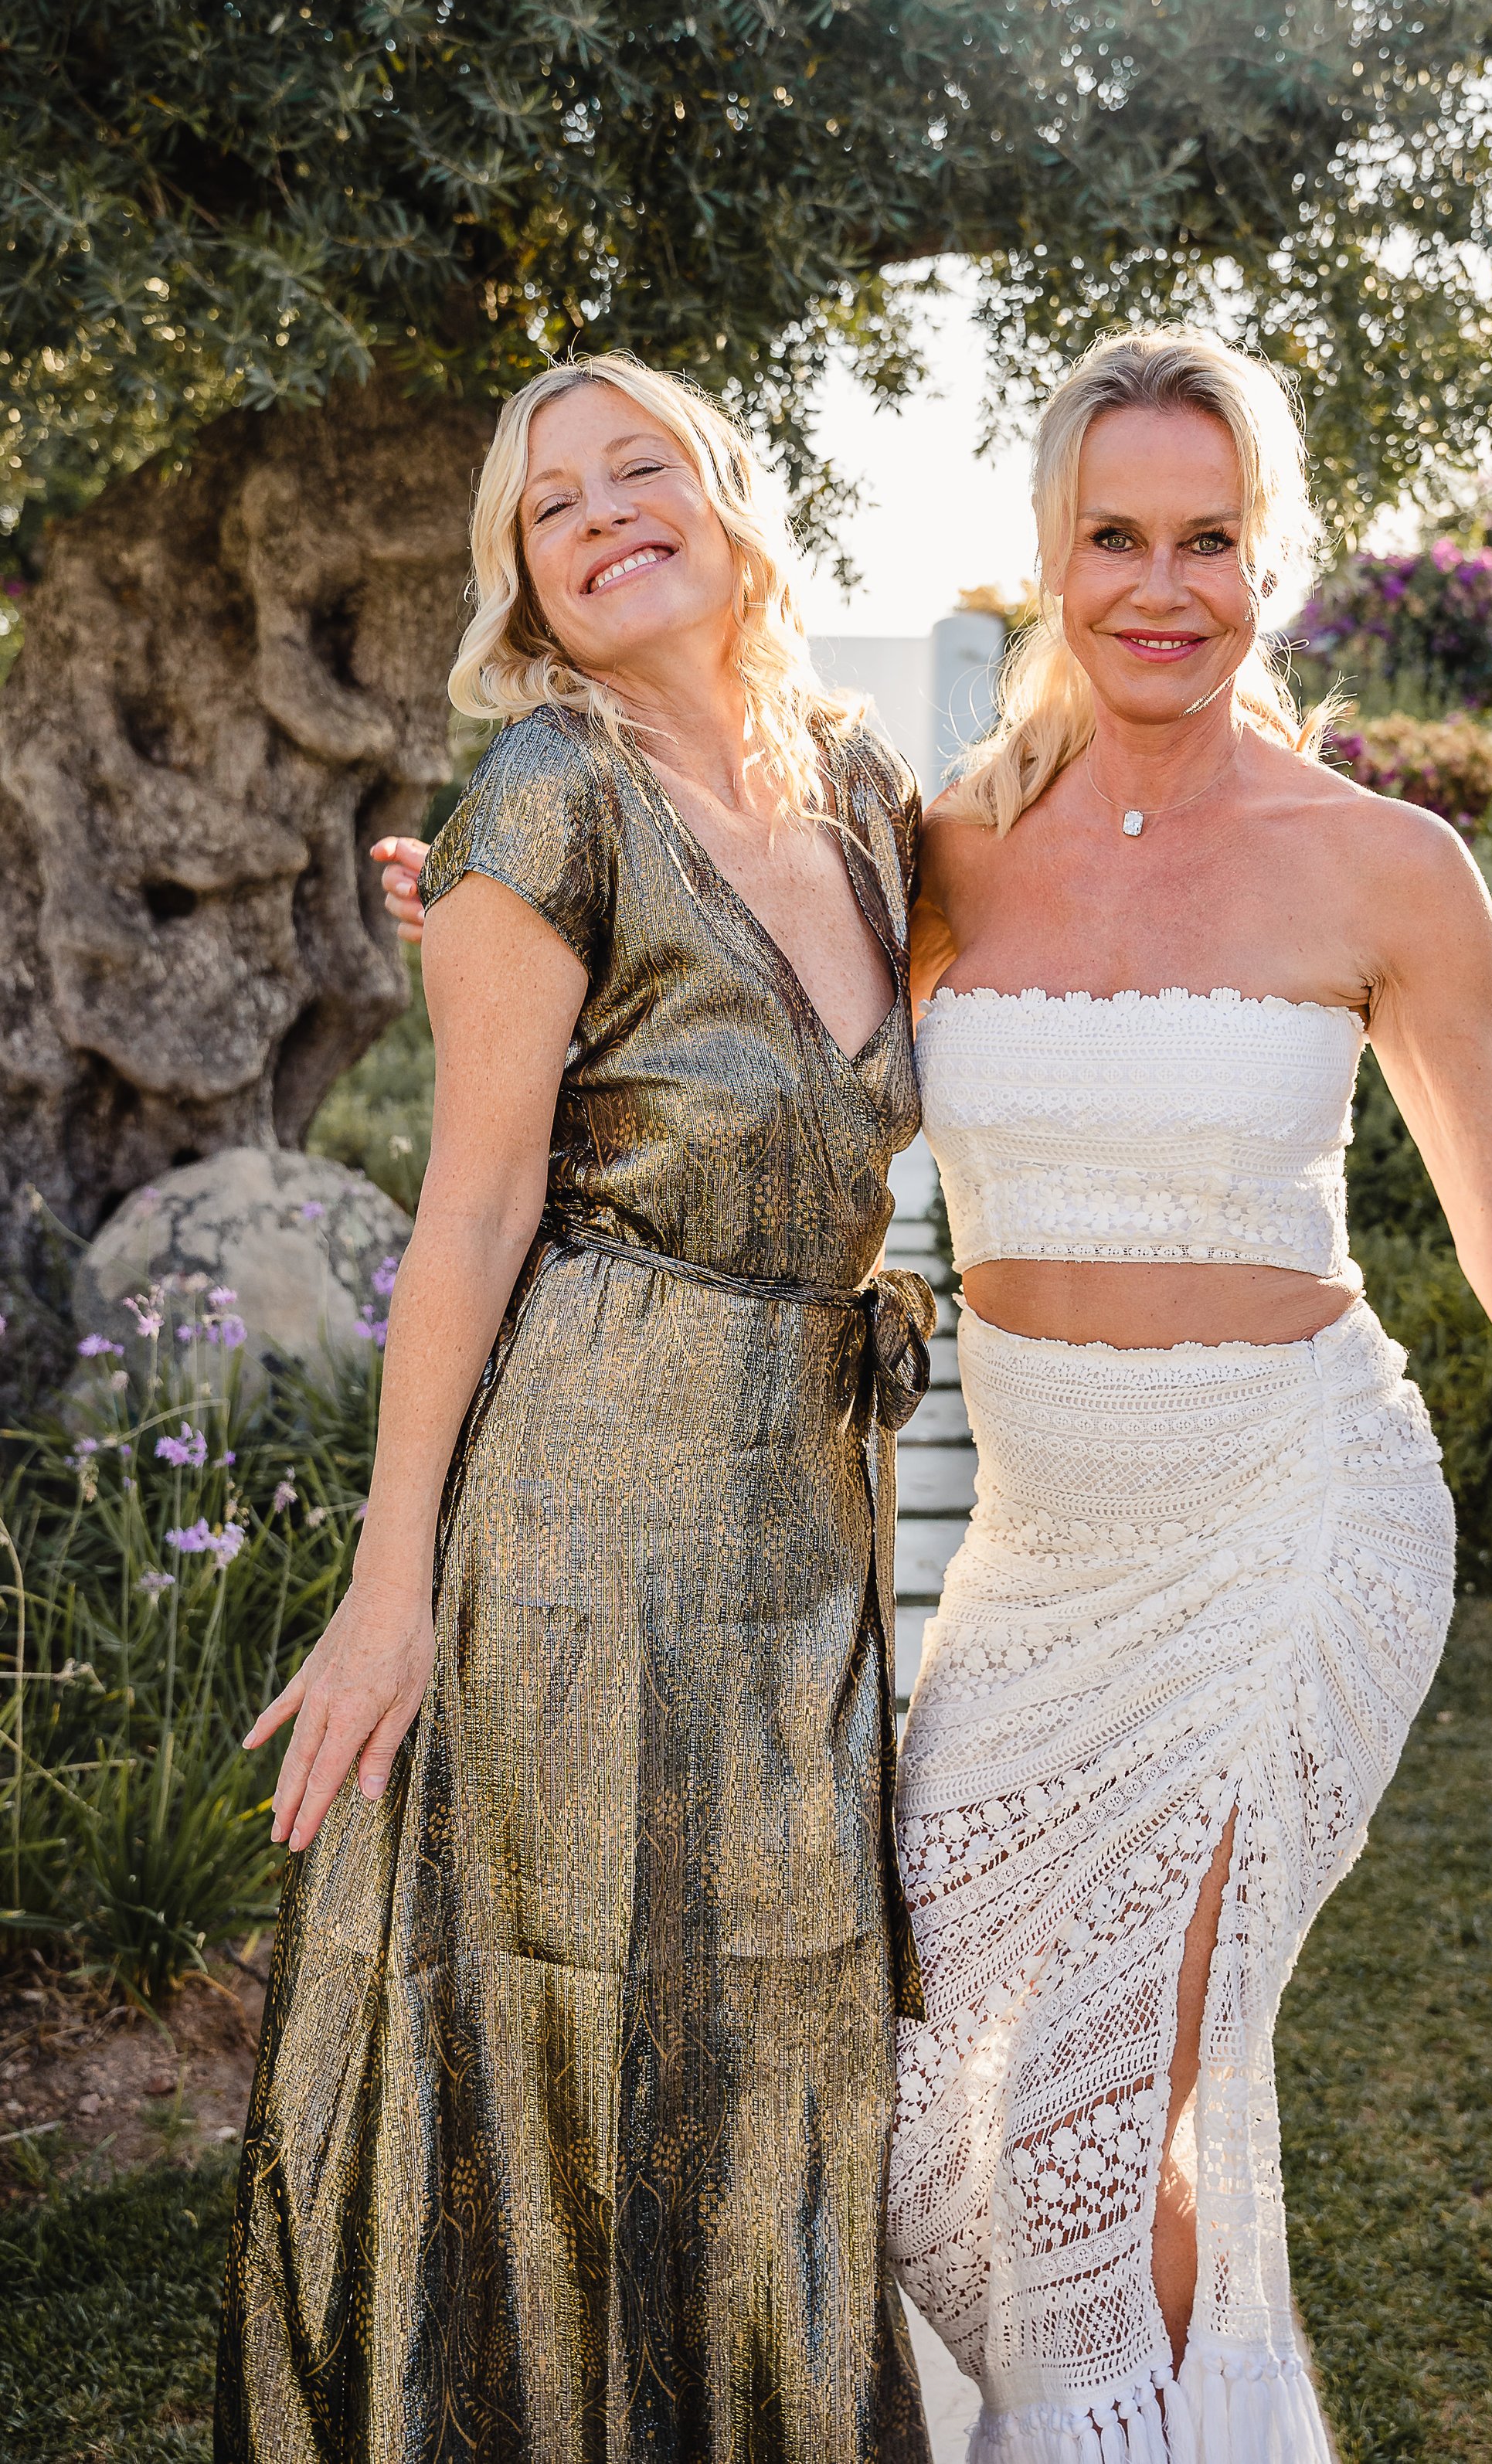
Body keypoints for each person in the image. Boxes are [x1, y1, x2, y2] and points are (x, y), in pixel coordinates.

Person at [882, 329, 1492, 2464]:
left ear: (1274, 560)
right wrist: (501, 906)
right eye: (1113, 537)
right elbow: (726, 1025)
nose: (1161, 587)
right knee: (922, 2112)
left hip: (1291, 1531)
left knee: (1079, 2127)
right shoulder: (938, 855)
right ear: (1046, 554)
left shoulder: (1382, 865)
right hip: (1035, 1573)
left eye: (1208, 539)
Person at [219, 355, 936, 2464]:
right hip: (584, 1492)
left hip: (805, 1495)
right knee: (566, 2013)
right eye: (554, 503)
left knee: (774, 2012)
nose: (606, 511)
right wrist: (389, 1593)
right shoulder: (544, 787)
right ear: (524, 577)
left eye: (643, 468)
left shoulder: (864, 788)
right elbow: (470, 1211)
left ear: (731, 503)